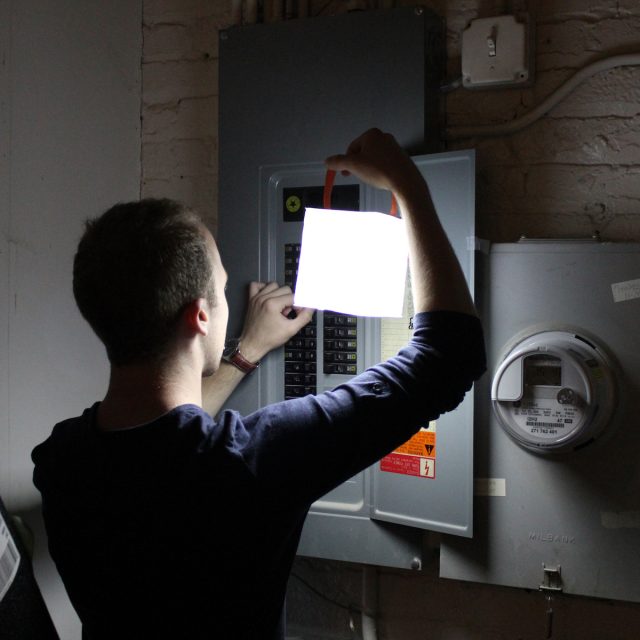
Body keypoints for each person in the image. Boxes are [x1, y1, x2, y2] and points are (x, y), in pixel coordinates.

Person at [32, 129, 485, 639]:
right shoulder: (251, 463)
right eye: (222, 289)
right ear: (201, 316)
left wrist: (246, 352)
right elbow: (449, 356)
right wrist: (407, 183)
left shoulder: (60, 461)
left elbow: (162, 443)